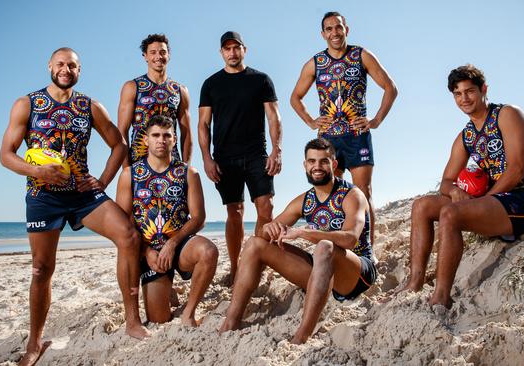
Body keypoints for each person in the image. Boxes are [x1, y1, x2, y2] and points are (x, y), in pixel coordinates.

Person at [0, 47, 148, 366]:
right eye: (61, 64)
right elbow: (6, 154)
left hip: (82, 194)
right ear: (50, 67)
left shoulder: (89, 105)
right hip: (43, 196)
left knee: (129, 237)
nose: (66, 69)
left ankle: (132, 321)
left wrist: (104, 180)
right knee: (41, 269)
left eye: (73, 66)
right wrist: (37, 170)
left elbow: (119, 144)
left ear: (79, 71)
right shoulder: (28, 104)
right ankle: (35, 342)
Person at [401, 64, 524, 308]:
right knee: (422, 206)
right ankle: (414, 282)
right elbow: (446, 181)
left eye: (469, 91)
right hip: (492, 204)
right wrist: (456, 191)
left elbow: (516, 170)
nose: (464, 99)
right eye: (457, 94)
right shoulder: (466, 136)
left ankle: (441, 297)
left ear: (483, 89)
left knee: (450, 213)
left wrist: (480, 201)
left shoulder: (508, 114)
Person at [220, 138, 377, 344]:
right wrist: (269, 227)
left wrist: (303, 233)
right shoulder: (305, 200)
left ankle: (301, 336)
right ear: (305, 165)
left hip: (356, 273)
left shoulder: (351, 195)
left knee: (324, 246)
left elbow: (349, 239)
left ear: (334, 165)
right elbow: (266, 233)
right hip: (323, 271)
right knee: (254, 245)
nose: (317, 167)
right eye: (312, 161)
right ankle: (231, 322)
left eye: (323, 161)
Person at [290, 11, 398, 249]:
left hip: (357, 136)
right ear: (323, 34)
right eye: (329, 29)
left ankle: (367, 249)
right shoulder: (315, 63)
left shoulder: (362, 55)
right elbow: (295, 98)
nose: (334, 33)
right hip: (328, 140)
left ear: (346, 29)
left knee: (363, 193)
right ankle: (335, 246)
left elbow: (390, 88)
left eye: (338, 27)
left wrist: (377, 119)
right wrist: (310, 121)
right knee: (330, 194)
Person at [116, 115, 218, 326]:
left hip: (180, 245)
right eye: (155, 135)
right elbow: (123, 223)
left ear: (174, 140)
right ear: (145, 140)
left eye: (166, 136)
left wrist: (172, 244)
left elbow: (199, 217)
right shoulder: (130, 175)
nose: (161, 140)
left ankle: (189, 313)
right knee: (158, 319)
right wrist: (146, 251)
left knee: (209, 252)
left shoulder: (188, 173)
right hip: (150, 253)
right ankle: (166, 286)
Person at [198, 31, 282, 283]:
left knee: (265, 207)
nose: (232, 52)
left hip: (257, 153)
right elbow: (203, 124)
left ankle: (254, 261)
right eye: (227, 49)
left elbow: (274, 117)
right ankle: (236, 266)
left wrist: (277, 150)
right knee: (234, 211)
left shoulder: (261, 80)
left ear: (244, 49)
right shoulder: (211, 84)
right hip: (225, 157)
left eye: (237, 48)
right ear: (221, 53)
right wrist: (206, 158)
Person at [118, 33, 192, 166]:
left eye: (162, 52)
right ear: (145, 56)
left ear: (168, 55)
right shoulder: (132, 87)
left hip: (171, 163)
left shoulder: (180, 90)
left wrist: (186, 167)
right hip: (139, 163)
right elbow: (122, 131)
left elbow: (186, 133)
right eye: (153, 52)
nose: (158, 57)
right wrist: (126, 169)